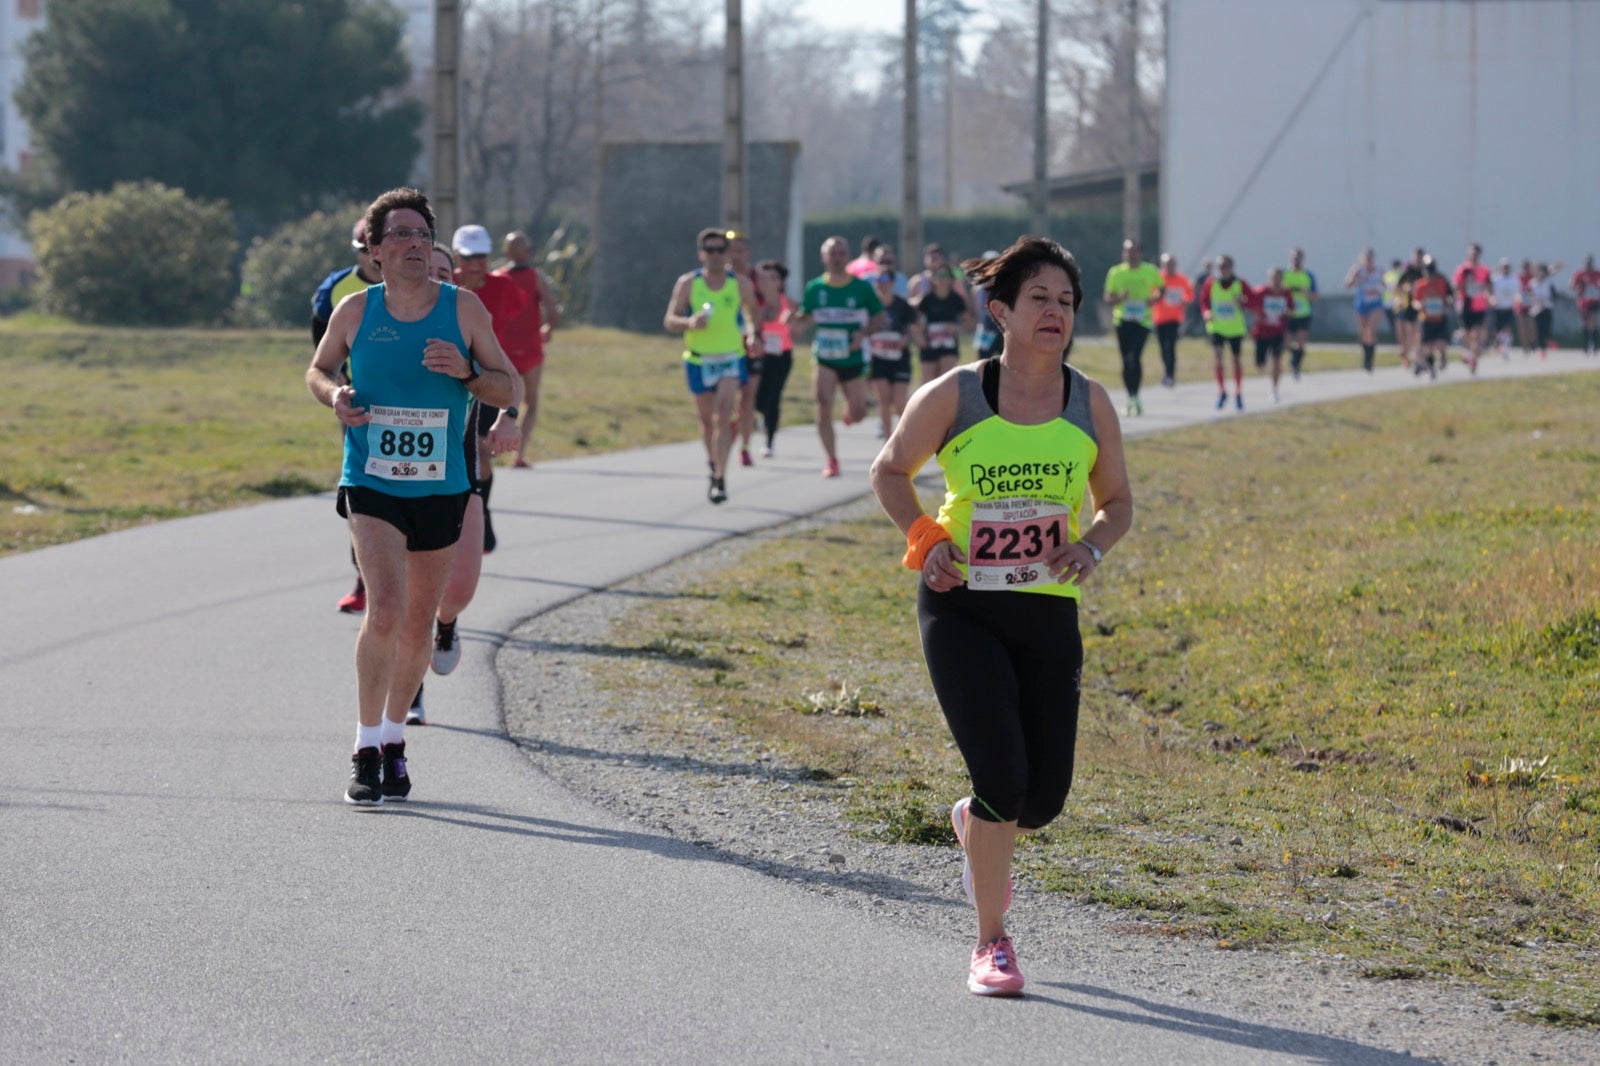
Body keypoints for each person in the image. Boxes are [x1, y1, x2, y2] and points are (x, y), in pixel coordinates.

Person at [869, 235, 1133, 997]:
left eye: (1067, 301)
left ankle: (978, 823)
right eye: (1040, 299)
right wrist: (926, 540)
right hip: (963, 607)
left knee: (1040, 802)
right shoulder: (957, 392)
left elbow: (1117, 505)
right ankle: (991, 942)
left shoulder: (1090, 401)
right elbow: (889, 471)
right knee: (1002, 778)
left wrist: (1091, 546)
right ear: (1001, 312)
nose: (1056, 312)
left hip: (1047, 612)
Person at [306, 187, 522, 805]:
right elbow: (318, 370)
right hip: (371, 480)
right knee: (387, 610)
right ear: (374, 250)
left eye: (422, 234)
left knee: (420, 625)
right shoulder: (355, 311)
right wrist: (335, 397)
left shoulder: (464, 310)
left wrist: (466, 372)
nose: (413, 244)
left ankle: (396, 740)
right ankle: (364, 745)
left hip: (442, 485)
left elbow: (506, 385)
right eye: (399, 234)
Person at [313, 218, 386, 613]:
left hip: (418, 405)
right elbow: (321, 349)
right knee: (362, 490)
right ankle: (364, 578)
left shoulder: (419, 281)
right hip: (359, 405)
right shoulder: (337, 290)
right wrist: (338, 384)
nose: (370, 258)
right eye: (363, 250)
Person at [663, 227, 761, 503]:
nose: (716, 256)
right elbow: (670, 319)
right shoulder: (688, 283)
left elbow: (752, 311)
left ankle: (720, 476)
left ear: (727, 254)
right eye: (710, 251)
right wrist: (688, 322)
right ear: (701, 254)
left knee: (723, 416)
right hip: (698, 358)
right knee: (707, 424)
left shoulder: (739, 283)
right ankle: (713, 463)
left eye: (721, 250)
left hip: (730, 357)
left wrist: (752, 333)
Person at [452, 224, 528, 552]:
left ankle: (481, 512)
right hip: (453, 378)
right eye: (468, 257)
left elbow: (512, 322)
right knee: (459, 454)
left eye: (481, 256)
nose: (476, 263)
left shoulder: (504, 286)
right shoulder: (445, 284)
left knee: (482, 453)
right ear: (457, 258)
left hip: (490, 379)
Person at [786, 235, 885, 478]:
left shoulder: (861, 287)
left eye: (841, 253)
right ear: (824, 258)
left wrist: (862, 334)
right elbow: (806, 317)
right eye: (832, 253)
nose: (837, 258)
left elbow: (879, 317)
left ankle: (850, 410)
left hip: (852, 358)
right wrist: (794, 321)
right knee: (822, 403)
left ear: (848, 256)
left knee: (859, 413)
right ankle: (831, 459)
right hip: (825, 357)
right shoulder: (815, 287)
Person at [493, 231, 561, 469]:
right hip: (531, 349)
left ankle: (489, 445)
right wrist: (548, 329)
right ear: (528, 252)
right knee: (530, 402)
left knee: (497, 397)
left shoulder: (498, 277)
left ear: (506, 253)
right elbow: (553, 311)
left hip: (503, 351)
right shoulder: (536, 277)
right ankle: (518, 455)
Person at [1102, 237, 1163, 416]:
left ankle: (1136, 396)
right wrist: (1119, 298)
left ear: (1140, 253)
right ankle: (1130, 397)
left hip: (1142, 321)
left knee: (1134, 357)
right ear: (1123, 253)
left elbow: (1161, 289)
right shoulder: (1116, 272)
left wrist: (1154, 298)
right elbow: (1108, 297)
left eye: (1134, 251)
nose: (1131, 254)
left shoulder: (1150, 271)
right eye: (1128, 251)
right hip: (1122, 320)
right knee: (1125, 360)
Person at [866, 268, 923, 438]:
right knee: (883, 400)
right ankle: (888, 441)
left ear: (892, 282)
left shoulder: (901, 304)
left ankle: (907, 435)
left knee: (899, 402)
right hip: (878, 358)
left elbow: (916, 324)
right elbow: (863, 328)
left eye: (885, 279)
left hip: (899, 358)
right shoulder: (871, 306)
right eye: (878, 280)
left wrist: (905, 339)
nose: (881, 283)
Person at [727, 231, 764, 467]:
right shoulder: (718, 278)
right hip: (726, 345)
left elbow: (769, 304)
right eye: (731, 250)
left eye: (740, 250)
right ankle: (731, 424)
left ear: (747, 252)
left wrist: (756, 329)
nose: (735, 255)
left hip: (751, 343)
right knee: (729, 397)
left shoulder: (756, 277)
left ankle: (745, 447)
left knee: (748, 398)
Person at [752, 259, 795, 458]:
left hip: (781, 355)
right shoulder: (753, 301)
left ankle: (769, 440)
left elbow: (798, 326)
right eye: (765, 277)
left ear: (780, 281)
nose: (769, 281)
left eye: (774, 278)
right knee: (756, 399)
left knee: (773, 397)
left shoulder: (788, 302)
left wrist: (794, 321)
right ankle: (761, 416)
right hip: (758, 353)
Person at [1200, 254, 1251, 409]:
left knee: (1236, 361)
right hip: (1217, 327)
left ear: (1231, 267)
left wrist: (1242, 302)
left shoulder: (1240, 283)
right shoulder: (1211, 282)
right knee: (1218, 360)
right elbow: (1203, 300)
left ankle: (1238, 392)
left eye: (1225, 266)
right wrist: (1206, 312)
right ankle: (1222, 391)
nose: (1222, 269)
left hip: (1235, 328)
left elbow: (1251, 300)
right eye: (1219, 266)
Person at [912, 264, 971, 383]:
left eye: (946, 276)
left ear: (951, 279)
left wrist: (957, 328)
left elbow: (967, 322)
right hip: (929, 344)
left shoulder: (957, 299)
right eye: (939, 275)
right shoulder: (926, 299)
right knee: (928, 383)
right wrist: (919, 337)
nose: (942, 279)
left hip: (948, 345)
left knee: (947, 380)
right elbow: (917, 322)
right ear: (933, 279)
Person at [1248, 267, 1293, 403]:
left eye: (1279, 277)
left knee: (1277, 361)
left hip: (1278, 332)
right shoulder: (1261, 291)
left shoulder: (1286, 293)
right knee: (1259, 364)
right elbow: (1249, 304)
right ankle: (1263, 362)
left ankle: (1274, 390)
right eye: (1274, 277)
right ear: (1270, 278)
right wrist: (1257, 314)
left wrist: (1286, 313)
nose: (1276, 280)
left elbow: (1291, 310)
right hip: (1262, 332)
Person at [1151, 252, 1192, 387]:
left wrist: (1184, 300)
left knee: (1170, 346)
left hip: (1174, 319)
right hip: (1159, 318)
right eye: (1166, 264)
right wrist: (1156, 294)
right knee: (1163, 348)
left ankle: (1170, 374)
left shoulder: (1182, 279)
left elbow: (1190, 295)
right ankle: (1166, 370)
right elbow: (1150, 293)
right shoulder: (1158, 278)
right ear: (1162, 265)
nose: (1169, 267)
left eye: (1171, 264)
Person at [1411, 255, 1453, 378]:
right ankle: (1431, 368)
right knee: (1428, 346)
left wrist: (1448, 305)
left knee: (1440, 343)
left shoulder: (1442, 282)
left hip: (1440, 318)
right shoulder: (1420, 284)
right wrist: (1419, 305)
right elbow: (1415, 301)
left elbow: (1450, 296)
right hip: (1426, 318)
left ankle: (1443, 356)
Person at [1452, 243, 1491, 374]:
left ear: (1480, 254)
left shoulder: (1484, 270)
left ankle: (1474, 360)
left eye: (1476, 253)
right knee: (1466, 334)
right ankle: (1468, 354)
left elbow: (1488, 286)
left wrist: (1490, 297)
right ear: (1468, 254)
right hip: (1466, 306)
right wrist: (1465, 284)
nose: (1474, 255)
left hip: (1480, 306)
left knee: (1477, 334)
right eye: (1472, 253)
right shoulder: (1462, 269)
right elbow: (1456, 286)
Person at [1345, 248, 1386, 372]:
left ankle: (1370, 360)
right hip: (1361, 303)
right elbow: (1348, 285)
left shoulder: (1379, 271)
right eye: (1366, 258)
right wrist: (1354, 278)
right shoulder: (1358, 270)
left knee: (1371, 331)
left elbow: (1386, 286)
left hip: (1375, 303)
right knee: (1363, 332)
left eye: (1371, 258)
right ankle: (1366, 355)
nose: (1369, 260)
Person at [1282, 248, 1316, 379]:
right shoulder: (1284, 274)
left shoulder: (1308, 275)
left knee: (1301, 341)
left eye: (1298, 258)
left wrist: (1305, 293)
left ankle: (1296, 366)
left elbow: (1315, 295)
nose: (1296, 260)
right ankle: (1294, 355)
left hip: (1303, 313)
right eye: (1294, 257)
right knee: (1286, 343)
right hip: (1288, 314)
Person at [970, 249, 1003, 360]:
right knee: (983, 363)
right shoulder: (977, 289)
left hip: (1001, 330)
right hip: (985, 331)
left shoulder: (1004, 287)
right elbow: (976, 311)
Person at [1488, 257, 1521, 359]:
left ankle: (1505, 348)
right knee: (1496, 331)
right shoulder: (1495, 279)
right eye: (1504, 267)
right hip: (1497, 308)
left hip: (1508, 307)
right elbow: (1490, 292)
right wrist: (1491, 299)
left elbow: (1517, 293)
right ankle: (1498, 345)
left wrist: (1517, 303)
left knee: (1507, 329)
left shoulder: (1514, 280)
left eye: (1507, 267)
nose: (1505, 269)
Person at [1525, 263, 1558, 357]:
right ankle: (1541, 349)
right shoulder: (1532, 283)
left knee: (1547, 328)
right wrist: (1533, 299)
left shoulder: (1548, 281)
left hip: (1547, 307)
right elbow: (1529, 294)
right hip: (1536, 309)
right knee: (1539, 330)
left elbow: (1554, 293)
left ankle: (1550, 340)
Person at [1570, 254, 1600, 355]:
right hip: (1583, 302)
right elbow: (1571, 285)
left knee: (1594, 321)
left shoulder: (1597, 273)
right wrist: (1578, 286)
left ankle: (1595, 344)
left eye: (1590, 263)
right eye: (1587, 263)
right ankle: (1585, 344)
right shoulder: (1580, 274)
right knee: (1584, 323)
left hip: (1594, 300)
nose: (1588, 265)